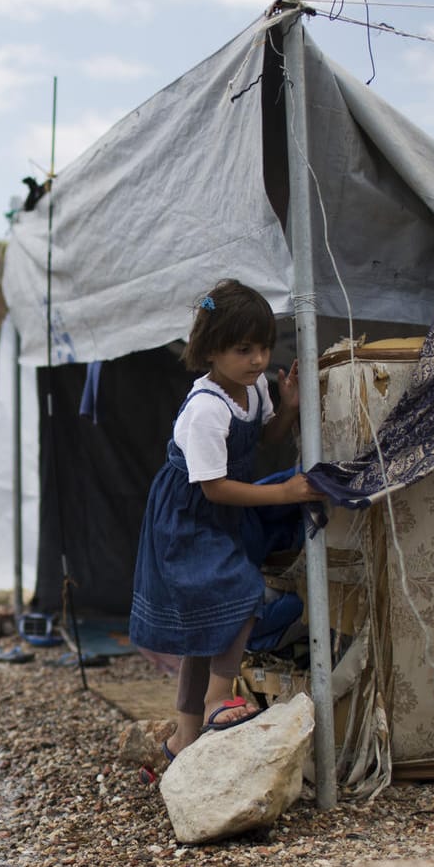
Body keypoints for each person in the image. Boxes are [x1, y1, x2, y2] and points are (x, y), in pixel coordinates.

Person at [129, 278, 325, 765]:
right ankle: (218, 701)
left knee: (204, 626)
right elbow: (212, 486)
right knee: (239, 592)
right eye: (243, 349)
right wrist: (283, 492)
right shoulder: (205, 410)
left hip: (221, 512)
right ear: (212, 351)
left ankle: (183, 741)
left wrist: (290, 406)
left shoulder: (253, 387)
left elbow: (265, 437)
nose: (258, 360)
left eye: (263, 347)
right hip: (186, 517)